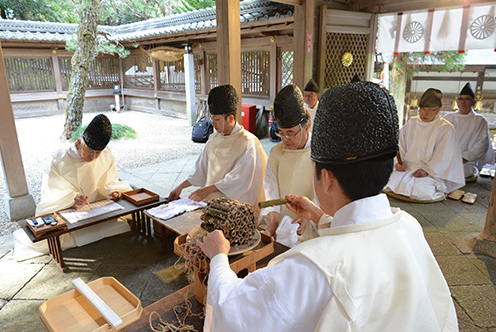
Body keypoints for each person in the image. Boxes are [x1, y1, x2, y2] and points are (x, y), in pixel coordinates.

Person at [197, 82, 458, 331]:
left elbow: (236, 310)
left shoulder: (312, 269)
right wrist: (321, 217)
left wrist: (219, 256)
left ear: (327, 179)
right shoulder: (409, 227)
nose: (285, 138)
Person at [15, 114, 133, 254]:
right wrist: (72, 200)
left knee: (123, 223)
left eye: (98, 153)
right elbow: (51, 194)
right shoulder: (59, 161)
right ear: (78, 143)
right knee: (52, 239)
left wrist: (111, 191)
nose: (94, 157)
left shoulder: (106, 154)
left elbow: (109, 181)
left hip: (97, 208)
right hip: (70, 212)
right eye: (90, 152)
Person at [169, 84, 267, 206]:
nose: (213, 124)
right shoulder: (214, 138)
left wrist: (207, 190)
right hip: (212, 202)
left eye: (217, 119)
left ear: (230, 118)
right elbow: (201, 168)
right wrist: (181, 186)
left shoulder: (248, 142)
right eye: (211, 118)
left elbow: (240, 180)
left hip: (235, 206)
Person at [260, 84, 318, 243]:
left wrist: (312, 213)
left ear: (306, 127)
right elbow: (271, 187)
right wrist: (273, 219)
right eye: (281, 133)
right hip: (280, 219)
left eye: (291, 133)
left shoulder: (320, 153)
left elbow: (327, 194)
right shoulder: (277, 152)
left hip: (309, 222)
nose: (284, 139)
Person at [384, 88, 465, 201]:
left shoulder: (445, 128)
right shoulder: (412, 122)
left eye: (430, 110)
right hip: (407, 167)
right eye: (422, 109)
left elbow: (444, 156)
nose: (424, 113)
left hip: (431, 173)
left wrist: (426, 170)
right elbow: (400, 145)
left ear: (438, 110)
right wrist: (399, 162)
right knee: (386, 182)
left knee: (421, 191)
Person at [444, 82, 494, 178]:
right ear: (457, 102)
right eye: (460, 99)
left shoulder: (479, 120)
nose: (463, 102)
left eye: (467, 99)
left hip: (466, 163)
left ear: (473, 102)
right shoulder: (448, 118)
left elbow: (483, 144)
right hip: (446, 159)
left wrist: (465, 157)